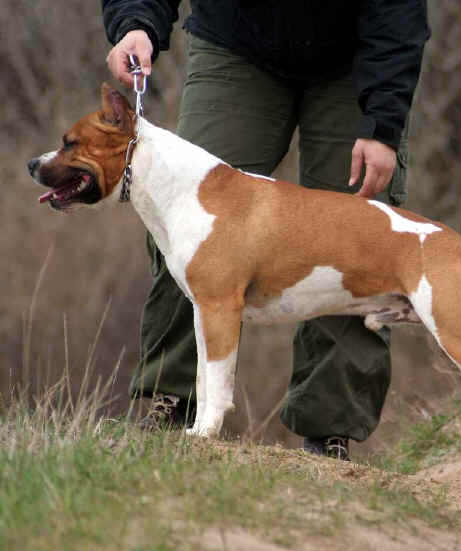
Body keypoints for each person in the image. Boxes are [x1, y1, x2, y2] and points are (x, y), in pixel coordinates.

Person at [102, 0, 429, 460]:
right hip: (235, 43)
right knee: (185, 220)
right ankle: (174, 404)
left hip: (354, 60)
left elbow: (399, 9)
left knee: (359, 241)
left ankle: (329, 430)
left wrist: (383, 121)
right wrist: (135, 24)